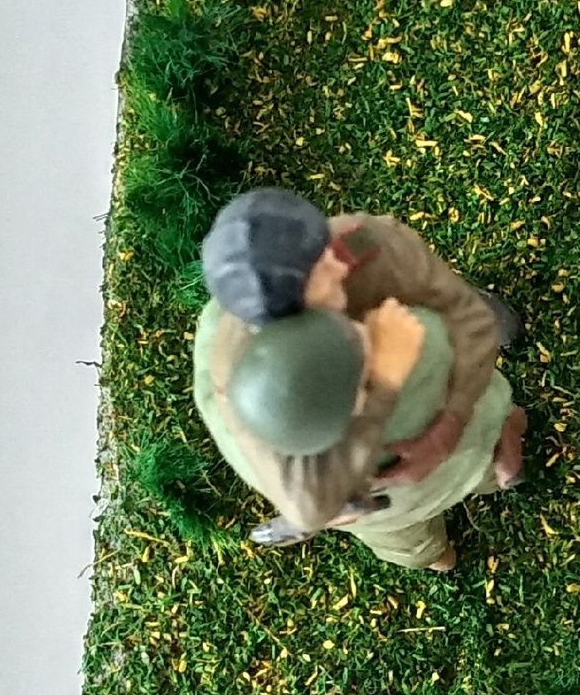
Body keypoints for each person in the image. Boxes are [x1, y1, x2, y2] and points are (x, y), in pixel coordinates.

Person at [192, 188, 527, 572]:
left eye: (321, 252)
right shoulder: (250, 391)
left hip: (463, 425)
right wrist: (385, 382)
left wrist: (449, 426)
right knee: (413, 542)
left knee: (486, 430)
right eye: (318, 273)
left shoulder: (358, 246)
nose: (337, 266)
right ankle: (432, 553)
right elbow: (307, 503)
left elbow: (469, 318)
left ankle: (501, 446)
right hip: (387, 502)